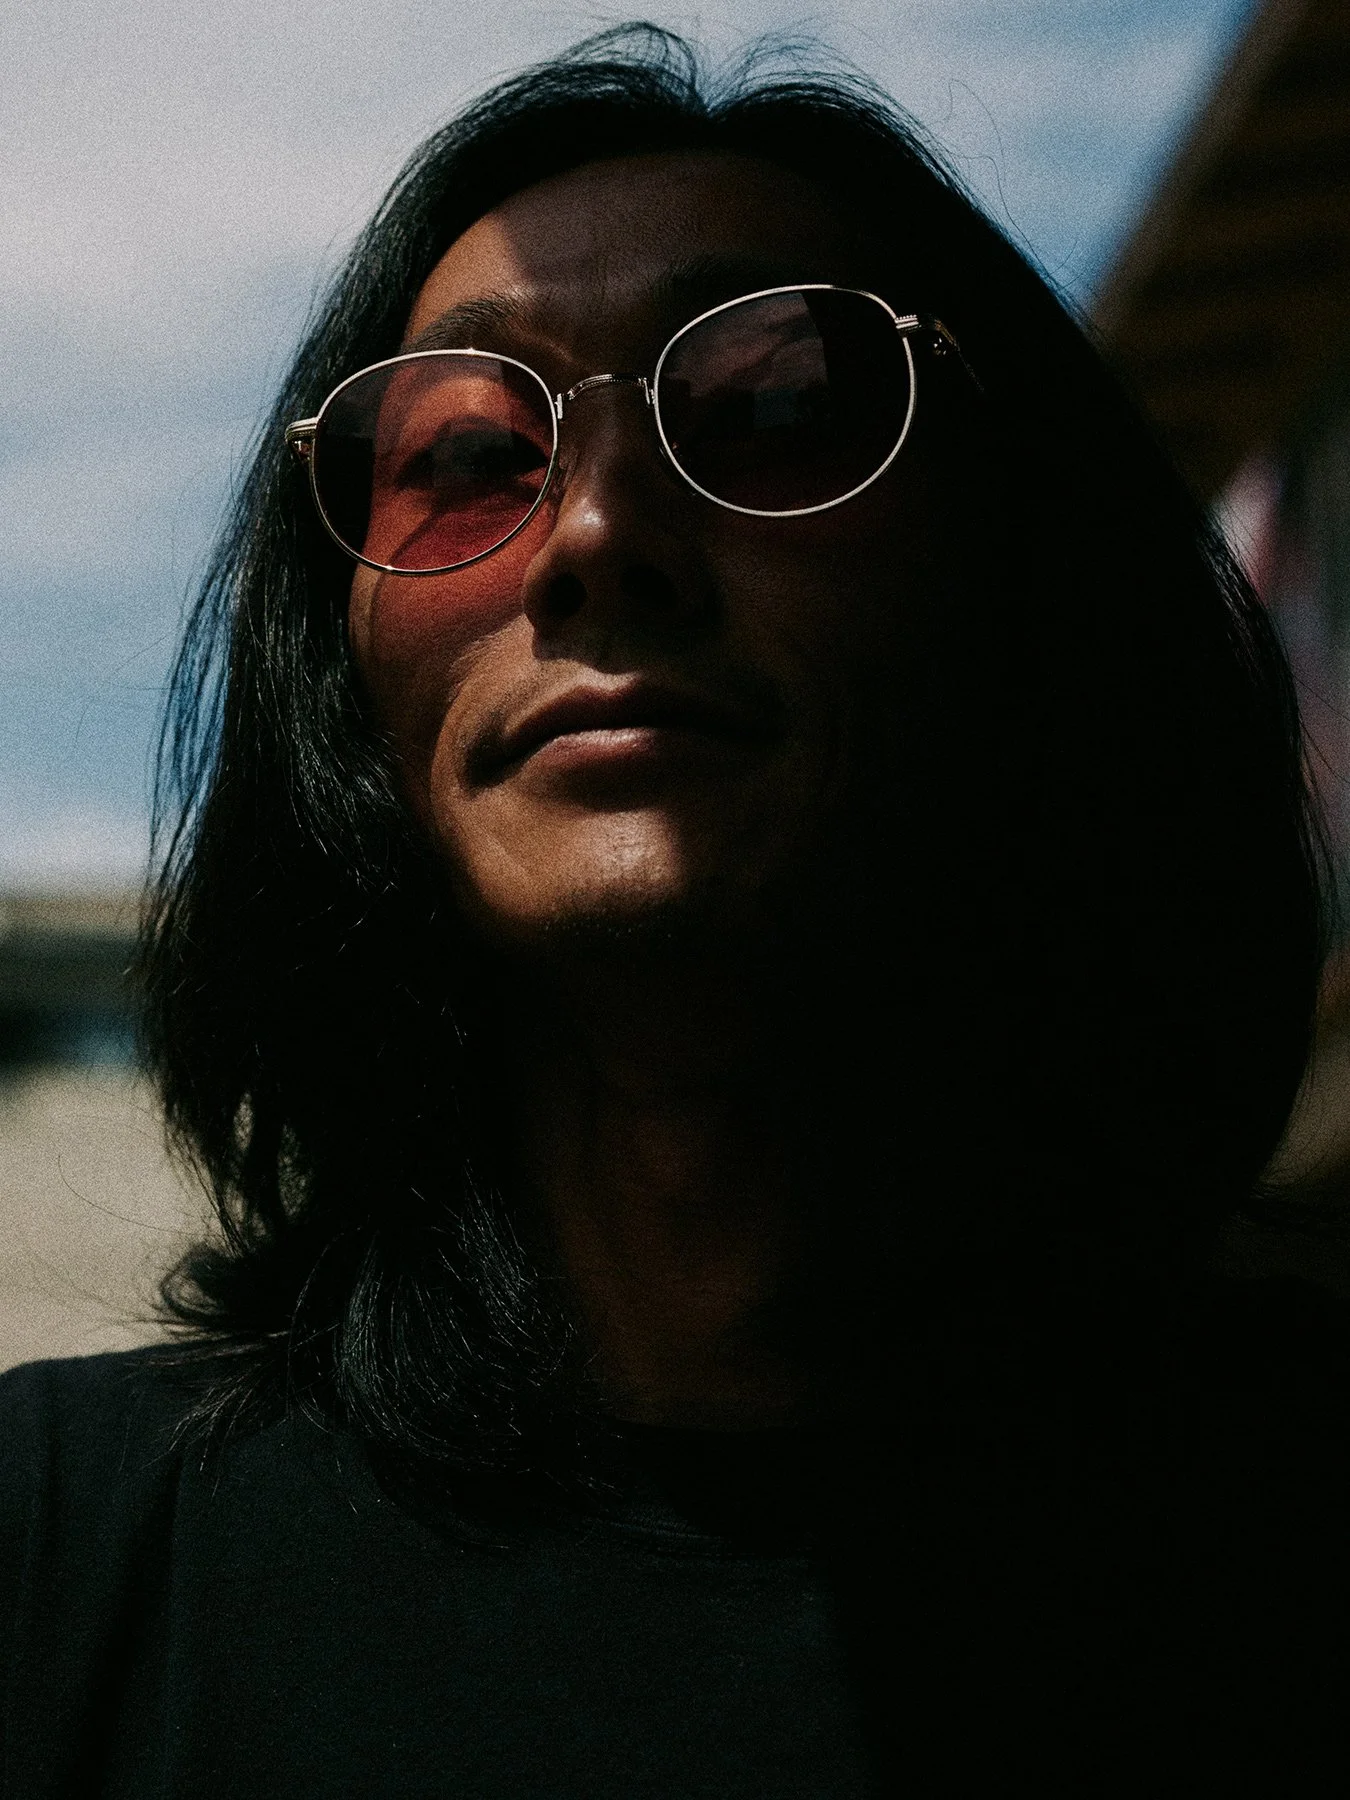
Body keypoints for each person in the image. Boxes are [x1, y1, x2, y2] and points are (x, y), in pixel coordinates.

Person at [2, 27, 1345, 1795]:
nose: (594, 532)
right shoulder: (63, 1562)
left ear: (1024, 587)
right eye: (466, 453)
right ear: (344, 685)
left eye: (781, 408)